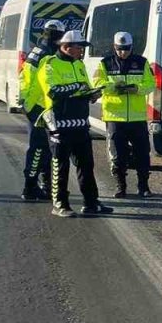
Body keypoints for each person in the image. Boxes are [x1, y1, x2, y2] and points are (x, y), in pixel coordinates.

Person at [37, 30, 113, 218]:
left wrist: (93, 94)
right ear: (66, 47)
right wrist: (77, 88)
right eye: (79, 48)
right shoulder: (49, 64)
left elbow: (84, 87)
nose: (82, 51)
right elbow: (54, 91)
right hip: (59, 124)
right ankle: (60, 204)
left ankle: (91, 202)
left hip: (80, 122)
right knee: (60, 166)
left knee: (86, 165)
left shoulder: (79, 64)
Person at [91, 32, 156, 198]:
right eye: (120, 49)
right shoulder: (105, 64)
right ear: (114, 47)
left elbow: (150, 84)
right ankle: (121, 186)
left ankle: (144, 186)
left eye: (126, 49)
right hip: (115, 117)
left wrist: (136, 88)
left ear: (132, 47)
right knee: (118, 155)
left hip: (137, 118)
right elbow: (97, 83)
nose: (123, 52)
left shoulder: (141, 63)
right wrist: (114, 87)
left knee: (142, 154)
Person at [18, 20, 66, 200]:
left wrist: (24, 103)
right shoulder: (48, 56)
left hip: (35, 106)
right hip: (41, 108)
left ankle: (46, 185)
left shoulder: (36, 52)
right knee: (39, 148)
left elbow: (24, 78)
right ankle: (30, 187)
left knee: (46, 148)